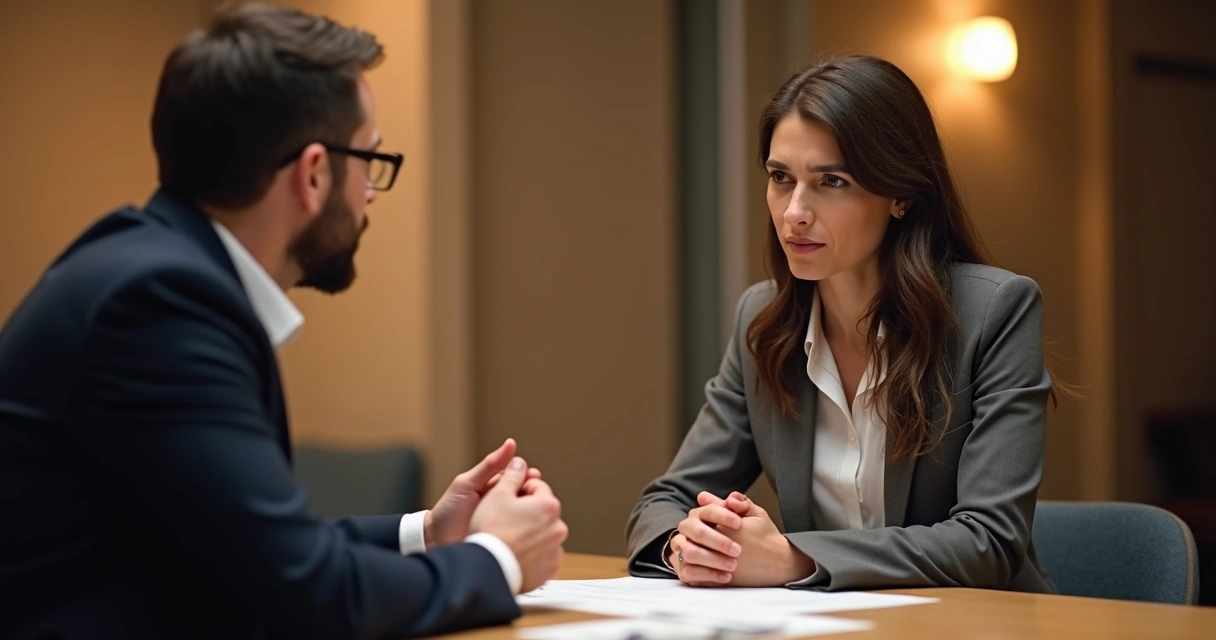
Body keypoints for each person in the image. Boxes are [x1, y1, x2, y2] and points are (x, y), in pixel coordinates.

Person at [0, 3, 566, 638]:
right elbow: (305, 596)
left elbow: (250, 546)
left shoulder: (149, 268)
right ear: (316, 174)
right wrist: (495, 560)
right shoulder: (161, 303)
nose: (372, 193)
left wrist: (431, 532)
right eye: (370, 162)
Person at [626, 55, 1060, 594]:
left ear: (900, 193)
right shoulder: (761, 321)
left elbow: (989, 542)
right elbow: (664, 502)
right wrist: (692, 545)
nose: (794, 213)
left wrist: (793, 558)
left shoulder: (995, 311)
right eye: (780, 178)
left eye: (831, 181)